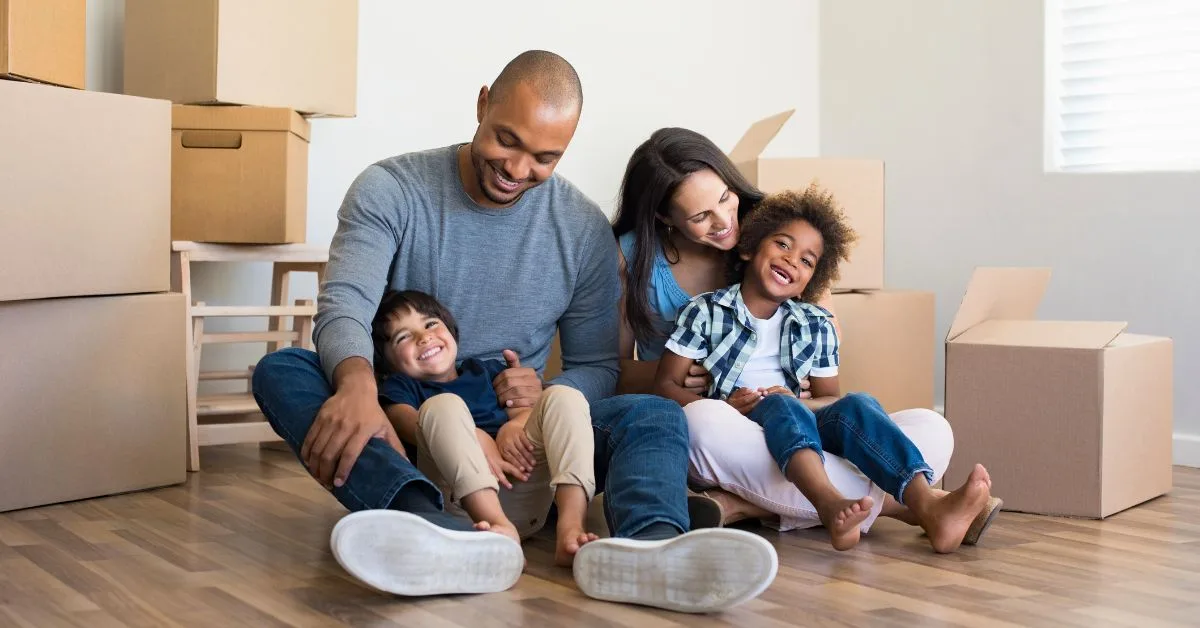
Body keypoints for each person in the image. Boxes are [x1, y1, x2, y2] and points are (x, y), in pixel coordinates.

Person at [252, 51, 778, 613]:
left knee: (653, 413)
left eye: (545, 157)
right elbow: (346, 304)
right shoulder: (391, 189)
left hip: (526, 444)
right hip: (408, 421)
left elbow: (598, 364)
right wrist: (357, 385)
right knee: (284, 371)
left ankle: (650, 548)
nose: (518, 169)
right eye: (507, 140)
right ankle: (424, 522)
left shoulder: (580, 230)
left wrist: (539, 401)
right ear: (482, 104)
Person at [611, 126, 1002, 543]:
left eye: (725, 197)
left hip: (800, 421)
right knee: (705, 420)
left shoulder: (781, 236)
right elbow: (613, 371)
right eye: (701, 216)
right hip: (720, 425)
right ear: (664, 217)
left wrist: (808, 399)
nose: (727, 221)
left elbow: (826, 382)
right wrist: (687, 379)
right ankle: (906, 507)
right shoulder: (663, 280)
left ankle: (742, 505)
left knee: (931, 427)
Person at [371, 288, 598, 565]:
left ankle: (571, 528)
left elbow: (526, 411)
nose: (424, 337)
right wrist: (475, 436)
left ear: (452, 332)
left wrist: (514, 426)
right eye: (403, 336)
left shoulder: (485, 370)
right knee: (443, 406)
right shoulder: (399, 388)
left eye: (430, 324)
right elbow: (406, 423)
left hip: (525, 484)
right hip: (464, 504)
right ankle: (498, 527)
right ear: (387, 361)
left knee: (564, 397)